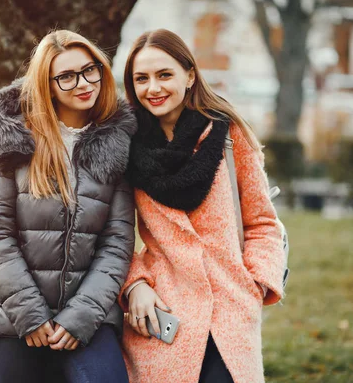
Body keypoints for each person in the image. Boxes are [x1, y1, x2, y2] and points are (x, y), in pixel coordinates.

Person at [0, 29, 137, 383]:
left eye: (90, 70)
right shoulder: (13, 136)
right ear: (47, 83)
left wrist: (80, 316)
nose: (83, 83)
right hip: (11, 309)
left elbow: (117, 242)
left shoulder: (116, 141)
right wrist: (31, 316)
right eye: (66, 76)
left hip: (88, 310)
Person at [118, 29, 287, 383]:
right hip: (162, 310)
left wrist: (253, 285)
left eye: (165, 74)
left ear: (190, 75)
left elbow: (262, 223)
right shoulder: (124, 146)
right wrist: (135, 285)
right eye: (141, 79)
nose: (153, 88)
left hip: (229, 308)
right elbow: (109, 233)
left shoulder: (227, 136)